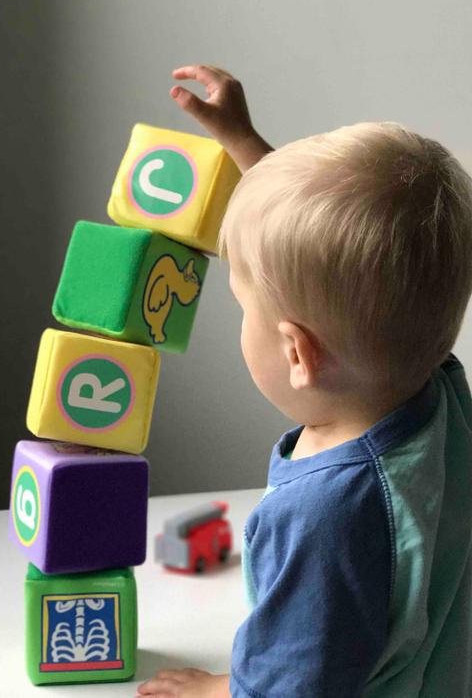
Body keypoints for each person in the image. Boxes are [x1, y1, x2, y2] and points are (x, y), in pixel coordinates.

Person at [135, 65, 472, 698]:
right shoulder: (433, 385)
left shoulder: (326, 516)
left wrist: (219, 689)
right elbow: (350, 264)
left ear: (297, 352)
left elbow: (293, 687)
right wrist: (244, 145)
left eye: (244, 307)